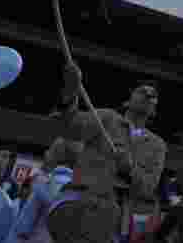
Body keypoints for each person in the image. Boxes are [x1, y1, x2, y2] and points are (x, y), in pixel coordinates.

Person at [47, 63, 167, 243]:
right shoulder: (107, 118)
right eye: (142, 91)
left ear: (154, 110)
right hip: (79, 202)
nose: (148, 95)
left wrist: (129, 169)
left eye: (153, 96)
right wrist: (70, 92)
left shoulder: (157, 146)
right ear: (129, 99)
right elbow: (70, 126)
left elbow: (149, 188)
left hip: (112, 219)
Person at [7, 138, 80, 243]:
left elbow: (22, 227)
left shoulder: (43, 184)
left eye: (50, 150)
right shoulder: (74, 188)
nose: (46, 153)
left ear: (58, 156)